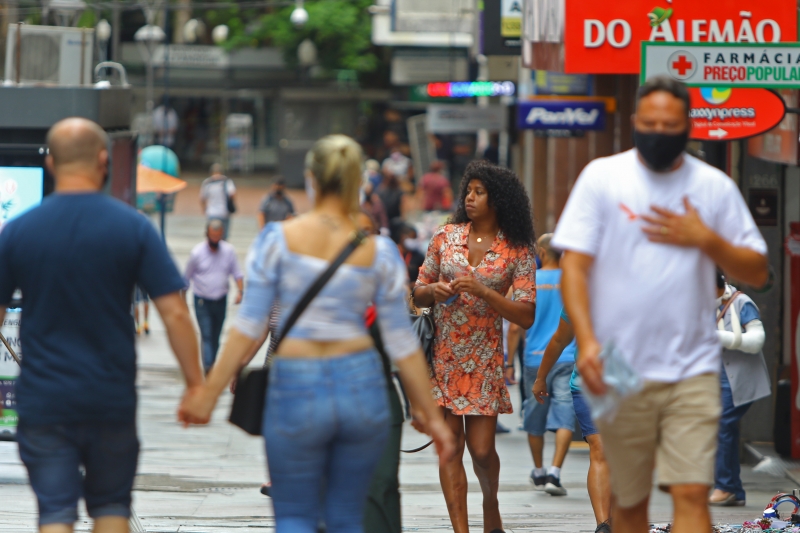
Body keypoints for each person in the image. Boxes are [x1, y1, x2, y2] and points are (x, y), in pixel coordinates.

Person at [178, 134, 455, 533]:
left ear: (310, 179)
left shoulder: (276, 241)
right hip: (361, 386)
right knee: (346, 518)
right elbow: (401, 343)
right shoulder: (379, 251)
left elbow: (249, 325)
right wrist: (431, 416)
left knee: (294, 518)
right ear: (359, 183)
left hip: (295, 384)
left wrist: (207, 393)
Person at [553, 76, 769, 533]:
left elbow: (758, 272)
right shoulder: (602, 177)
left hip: (692, 369)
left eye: (669, 123)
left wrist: (706, 239)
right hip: (621, 369)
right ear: (634, 122)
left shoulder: (713, 187)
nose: (658, 130)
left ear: (688, 125)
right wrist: (587, 342)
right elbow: (574, 268)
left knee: (691, 494)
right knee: (630, 504)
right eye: (649, 122)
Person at [0, 117, 203, 533]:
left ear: (51, 163)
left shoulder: (18, 232)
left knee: (55, 512)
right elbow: (176, 312)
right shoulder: (133, 228)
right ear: (103, 160)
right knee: (111, 508)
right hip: (109, 398)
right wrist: (196, 386)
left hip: (44, 399)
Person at [412, 159, 537, 533]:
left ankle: (490, 503)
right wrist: (432, 292)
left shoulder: (518, 250)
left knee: (482, 450)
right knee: (450, 446)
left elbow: (526, 315)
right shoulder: (445, 236)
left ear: (498, 200)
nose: (470, 197)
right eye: (469, 190)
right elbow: (416, 292)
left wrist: (485, 292)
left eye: (479, 193)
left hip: (483, 358)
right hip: (444, 356)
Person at [533, 309, 612, 533]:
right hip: (589, 385)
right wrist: (541, 377)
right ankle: (603, 524)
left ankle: (617, 519)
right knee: (600, 449)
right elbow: (560, 338)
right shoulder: (580, 294)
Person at [512, 233, 576, 496]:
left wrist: (507, 362)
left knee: (534, 415)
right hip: (567, 357)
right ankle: (555, 471)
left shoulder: (531, 281)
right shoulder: (573, 282)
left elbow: (515, 327)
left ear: (541, 251)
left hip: (534, 360)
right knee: (565, 416)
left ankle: (538, 470)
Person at [710, 270, 770, 507]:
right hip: (717, 379)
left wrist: (717, 337)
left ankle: (725, 486)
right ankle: (733, 489)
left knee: (723, 425)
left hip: (740, 379)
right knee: (726, 429)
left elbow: (757, 341)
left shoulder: (742, 302)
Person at [185, 219, 244, 372]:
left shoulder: (228, 251)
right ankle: (209, 370)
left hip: (220, 300)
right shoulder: (197, 253)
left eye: (218, 236)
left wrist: (240, 291)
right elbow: (186, 277)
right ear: (207, 234)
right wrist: (182, 299)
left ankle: (210, 365)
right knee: (207, 335)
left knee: (216, 337)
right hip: (202, 301)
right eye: (212, 236)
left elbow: (237, 273)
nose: (215, 240)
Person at [200, 163, 235, 239]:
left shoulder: (207, 182)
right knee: (223, 236)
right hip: (224, 212)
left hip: (212, 212)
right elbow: (232, 194)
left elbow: (202, 198)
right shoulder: (226, 181)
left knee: (212, 236)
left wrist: (204, 210)